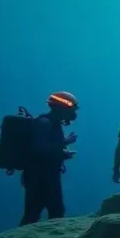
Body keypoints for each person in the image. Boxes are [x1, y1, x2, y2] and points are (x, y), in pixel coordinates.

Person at [20, 91, 79, 225]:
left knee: (35, 212)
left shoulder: (50, 123)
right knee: (49, 212)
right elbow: (40, 150)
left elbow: (45, 148)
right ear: (62, 108)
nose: (74, 113)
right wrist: (64, 143)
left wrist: (63, 153)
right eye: (71, 109)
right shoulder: (44, 123)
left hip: (42, 175)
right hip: (41, 177)